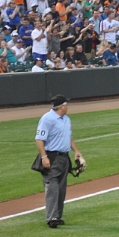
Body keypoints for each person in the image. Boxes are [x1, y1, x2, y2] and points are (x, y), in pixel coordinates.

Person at [35, 95, 83, 228]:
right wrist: (44, 157)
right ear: (62, 106)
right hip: (52, 157)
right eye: (66, 105)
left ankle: (57, 215)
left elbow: (69, 137)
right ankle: (51, 217)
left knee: (61, 188)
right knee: (53, 187)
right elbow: (39, 139)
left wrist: (77, 152)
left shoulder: (66, 119)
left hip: (64, 157)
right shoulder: (47, 119)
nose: (67, 107)